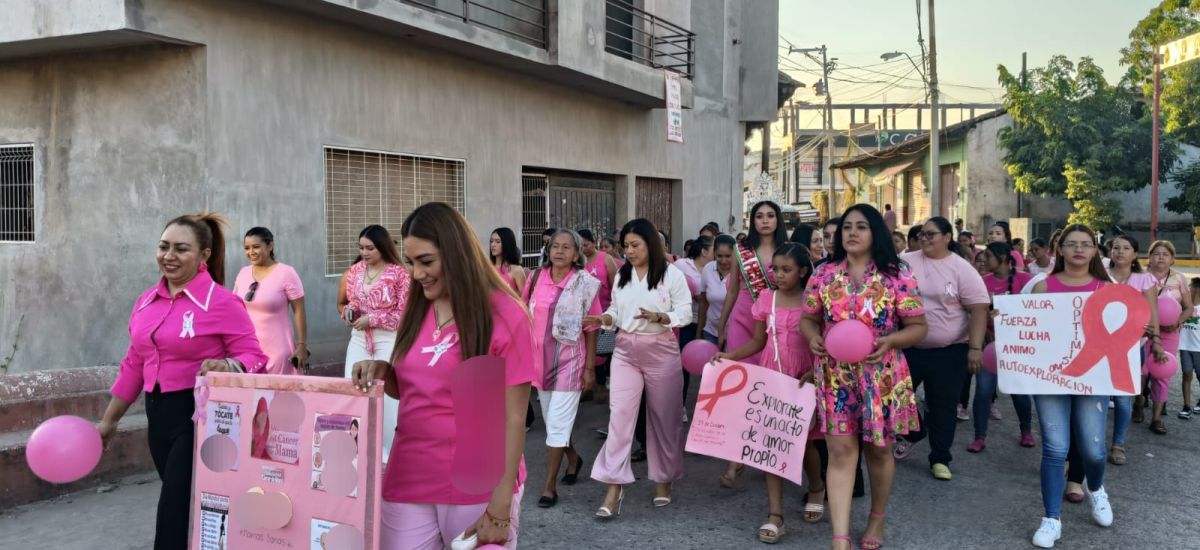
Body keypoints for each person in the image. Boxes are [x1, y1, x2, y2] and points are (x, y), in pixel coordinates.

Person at [352, 202, 534, 549]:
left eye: (427, 261)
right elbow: (414, 387)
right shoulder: (418, 305)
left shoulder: (505, 314)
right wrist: (383, 372)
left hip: (479, 479)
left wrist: (500, 507)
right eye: (410, 261)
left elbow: (514, 417)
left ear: (457, 253)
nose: (417, 273)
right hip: (410, 475)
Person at [98, 213, 268, 550]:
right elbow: (134, 364)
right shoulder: (145, 301)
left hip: (201, 417)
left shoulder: (222, 302)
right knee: (187, 504)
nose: (169, 256)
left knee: (172, 509)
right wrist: (109, 420)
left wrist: (227, 365)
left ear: (204, 255)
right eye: (163, 247)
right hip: (158, 414)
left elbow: (255, 356)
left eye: (181, 249)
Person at [799, 204, 928, 550]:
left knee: (879, 450)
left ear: (875, 233)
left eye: (861, 227)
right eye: (846, 228)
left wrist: (890, 340)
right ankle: (839, 535)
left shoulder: (897, 273)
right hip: (834, 376)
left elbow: (917, 327)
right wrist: (812, 336)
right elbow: (808, 318)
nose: (852, 233)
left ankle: (877, 517)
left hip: (882, 376)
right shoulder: (823, 273)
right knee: (840, 452)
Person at [713, 243, 823, 543]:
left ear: (802, 271)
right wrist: (729, 356)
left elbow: (822, 343)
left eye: (786, 269)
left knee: (807, 445)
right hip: (771, 377)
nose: (779, 275)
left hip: (803, 380)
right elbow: (758, 342)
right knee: (769, 448)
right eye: (775, 269)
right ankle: (776, 515)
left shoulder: (813, 301)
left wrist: (815, 373)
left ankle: (816, 487)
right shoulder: (766, 299)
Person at [585, 218, 692, 519]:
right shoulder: (622, 274)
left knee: (664, 417)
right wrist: (605, 319)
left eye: (635, 245)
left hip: (661, 348)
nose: (629, 251)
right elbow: (616, 311)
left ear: (651, 245)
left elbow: (685, 310)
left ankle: (663, 479)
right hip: (625, 350)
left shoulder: (672, 274)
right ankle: (614, 486)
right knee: (619, 417)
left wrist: (661, 317)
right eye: (626, 246)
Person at [1026, 224, 1115, 549]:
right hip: (1050, 377)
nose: (1078, 249)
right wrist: (1007, 324)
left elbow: (1120, 333)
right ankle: (1051, 519)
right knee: (1054, 448)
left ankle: (1097, 488)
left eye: (1085, 244)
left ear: (1094, 251)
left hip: (1093, 378)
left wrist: (1139, 332)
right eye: (1071, 244)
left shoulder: (1106, 289)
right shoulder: (1042, 287)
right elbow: (1028, 332)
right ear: (1060, 249)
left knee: (1093, 449)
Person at [892, 217, 989, 481]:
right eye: (922, 234)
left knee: (943, 404)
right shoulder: (906, 261)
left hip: (950, 350)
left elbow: (979, 307)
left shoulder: (961, 268)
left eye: (931, 234)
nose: (925, 239)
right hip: (908, 346)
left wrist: (975, 348)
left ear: (947, 237)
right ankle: (914, 431)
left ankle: (940, 458)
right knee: (894, 396)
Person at [522, 230, 601, 509]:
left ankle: (549, 486)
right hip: (539, 362)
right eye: (555, 246)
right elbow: (522, 316)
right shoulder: (534, 278)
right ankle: (573, 459)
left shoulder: (585, 283)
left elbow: (592, 328)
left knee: (555, 424)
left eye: (566, 247)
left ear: (577, 253)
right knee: (553, 422)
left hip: (570, 361)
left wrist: (590, 368)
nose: (559, 251)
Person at [715, 201, 786, 487]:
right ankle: (736, 460)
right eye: (759, 216)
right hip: (744, 319)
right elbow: (732, 289)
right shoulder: (740, 251)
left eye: (770, 216)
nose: (765, 221)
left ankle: (768, 451)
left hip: (777, 321)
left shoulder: (789, 249)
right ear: (752, 220)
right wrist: (722, 325)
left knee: (770, 390)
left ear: (778, 219)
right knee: (741, 390)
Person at [343, 225, 411, 460]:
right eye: (361, 248)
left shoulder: (399, 274)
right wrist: (350, 313)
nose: (365, 252)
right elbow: (351, 302)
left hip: (387, 339)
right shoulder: (354, 271)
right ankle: (357, 451)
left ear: (383, 247)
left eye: (370, 248)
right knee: (353, 387)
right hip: (359, 338)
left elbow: (404, 315)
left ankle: (389, 454)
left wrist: (372, 318)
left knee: (387, 397)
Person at [969, 242, 1037, 452]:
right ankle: (980, 436)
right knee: (983, 391)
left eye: (988, 256)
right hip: (989, 347)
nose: (984, 260)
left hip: (1017, 348)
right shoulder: (982, 282)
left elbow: (1038, 311)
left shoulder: (1026, 280)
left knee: (1019, 392)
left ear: (1003, 258)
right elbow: (974, 312)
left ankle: (1026, 431)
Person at [1102, 234, 1162, 466]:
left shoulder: (1143, 280)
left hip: (1131, 347)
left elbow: (1153, 312)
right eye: (1116, 247)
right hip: (1101, 345)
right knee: (1097, 393)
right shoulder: (1100, 276)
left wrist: (1155, 340)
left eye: (1126, 248)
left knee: (1123, 397)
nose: (1120, 252)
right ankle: (1093, 442)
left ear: (1135, 254)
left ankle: (1118, 443)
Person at [233, 227, 308, 375]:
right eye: (247, 248)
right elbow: (234, 309)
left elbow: (299, 311)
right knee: (251, 395)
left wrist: (302, 345)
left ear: (270, 246)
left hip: (278, 351)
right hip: (248, 350)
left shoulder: (286, 272)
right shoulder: (243, 273)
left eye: (256, 247)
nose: (251, 252)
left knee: (279, 395)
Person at [1142, 240, 1192, 434]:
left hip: (1170, 332)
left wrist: (1177, 321)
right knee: (1141, 371)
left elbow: (1188, 307)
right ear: (1150, 257)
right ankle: (1138, 402)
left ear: (1172, 259)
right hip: (1144, 331)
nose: (1160, 257)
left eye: (1165, 254)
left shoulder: (1179, 278)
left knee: (1162, 374)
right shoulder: (1141, 277)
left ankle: (1156, 418)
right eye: (1156, 253)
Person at [580, 229, 620, 402]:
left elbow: (615, 288)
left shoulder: (606, 259)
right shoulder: (578, 261)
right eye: (580, 245)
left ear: (593, 242)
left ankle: (604, 385)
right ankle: (589, 386)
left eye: (586, 245)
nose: (583, 249)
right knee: (587, 351)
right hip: (584, 316)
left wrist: (613, 310)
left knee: (604, 351)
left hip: (605, 313)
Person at [674, 235, 714, 405]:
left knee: (711, 367)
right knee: (684, 363)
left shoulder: (714, 269)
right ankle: (680, 404)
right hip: (687, 321)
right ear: (704, 251)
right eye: (714, 250)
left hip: (709, 323)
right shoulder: (682, 265)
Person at [698, 235, 736, 346]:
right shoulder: (708, 268)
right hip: (710, 331)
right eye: (719, 256)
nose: (723, 261)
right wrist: (699, 331)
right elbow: (703, 302)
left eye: (728, 256)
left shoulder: (740, 273)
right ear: (714, 253)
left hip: (733, 333)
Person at [1179, 278, 1200, 420]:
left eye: (1196, 288)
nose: (1193, 290)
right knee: (1186, 375)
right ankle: (1187, 406)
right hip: (1184, 346)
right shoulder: (1182, 306)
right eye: (1192, 287)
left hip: (1199, 348)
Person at [490, 227, 528, 295]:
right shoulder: (487, 267)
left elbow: (524, 298)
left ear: (507, 244)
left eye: (498, 242)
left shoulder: (516, 270)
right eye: (491, 241)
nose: (493, 245)